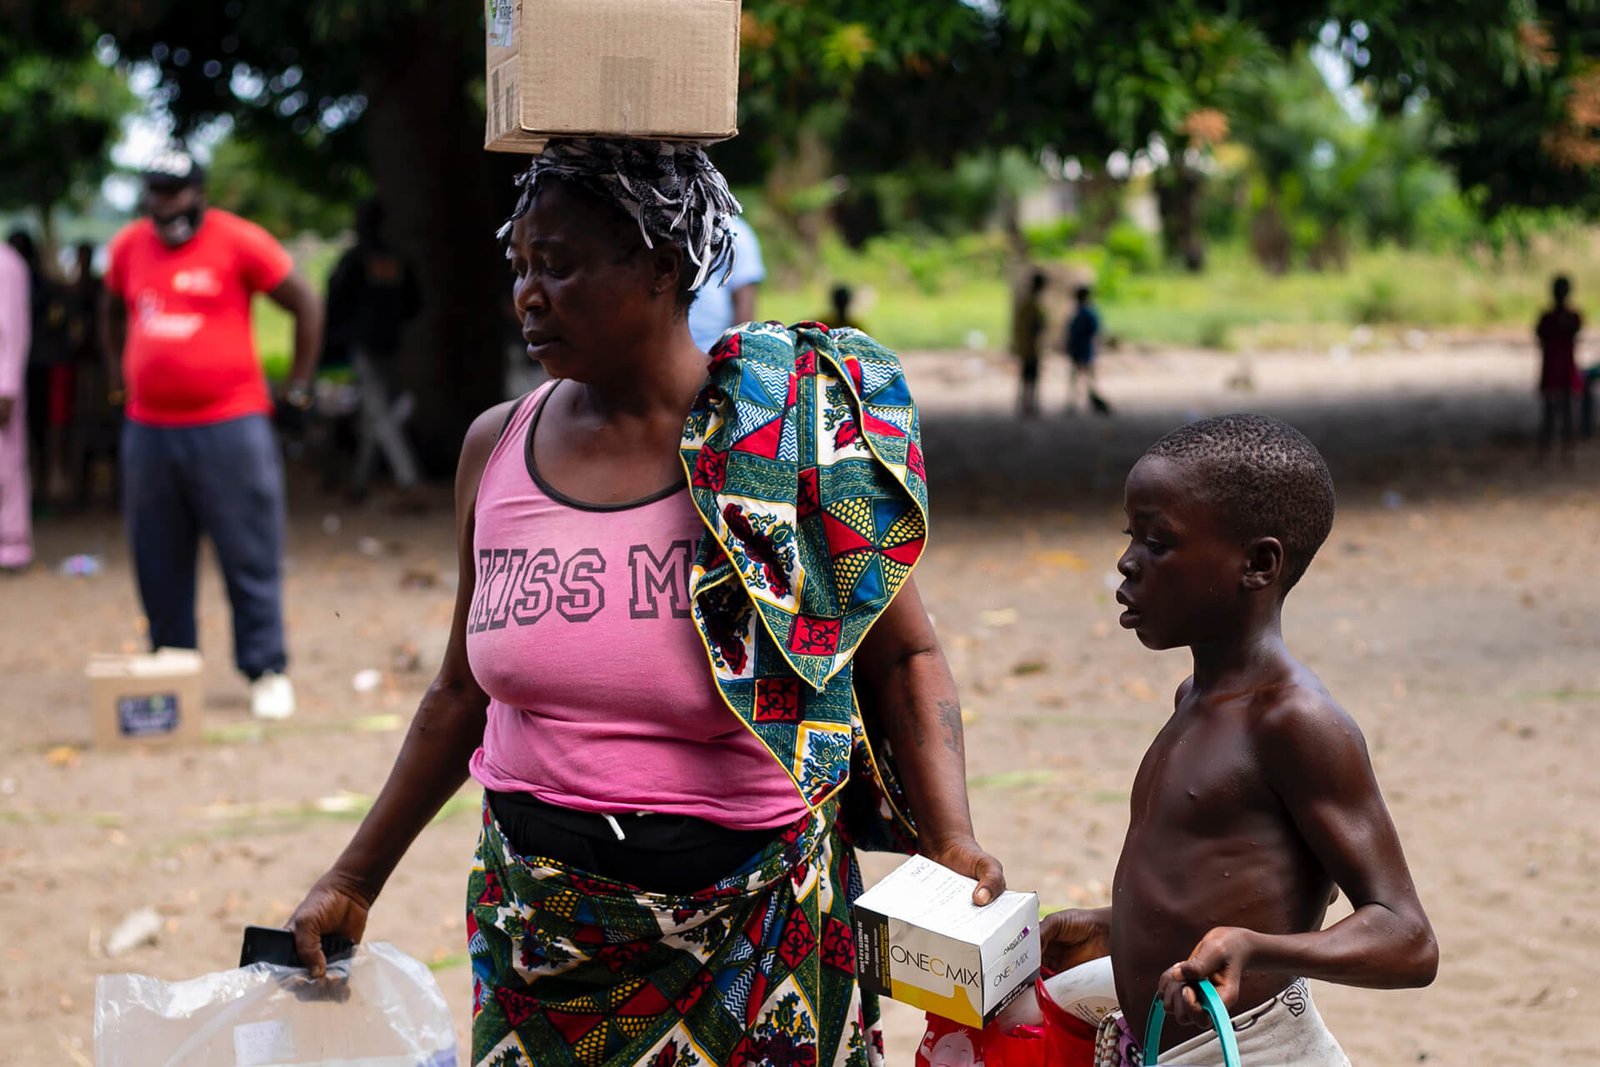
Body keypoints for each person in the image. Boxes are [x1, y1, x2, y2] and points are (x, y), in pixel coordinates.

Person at [287, 139, 1003, 1067]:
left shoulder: (779, 441)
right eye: (520, 266)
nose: (528, 295)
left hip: (758, 937)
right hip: (541, 943)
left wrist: (951, 837)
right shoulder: (495, 448)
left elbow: (902, 654)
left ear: (662, 268)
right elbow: (461, 692)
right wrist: (353, 877)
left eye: (559, 265)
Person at [1041, 414, 1437, 1065]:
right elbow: (1220, 894)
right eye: (1131, 536)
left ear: (1257, 564)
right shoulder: (1192, 700)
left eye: (1158, 542)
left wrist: (1259, 949)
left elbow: (1408, 938)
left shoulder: (1294, 721)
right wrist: (1110, 927)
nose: (1128, 562)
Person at [99, 147, 324, 719]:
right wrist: (117, 379)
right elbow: (109, 310)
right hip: (149, 429)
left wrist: (298, 389)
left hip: (230, 424)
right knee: (157, 553)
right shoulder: (128, 246)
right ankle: (174, 666)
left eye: (174, 191)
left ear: (197, 192)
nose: (164, 203)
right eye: (155, 191)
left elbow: (305, 303)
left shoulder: (238, 240)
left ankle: (266, 668)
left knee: (249, 550)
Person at [323, 198, 423, 503]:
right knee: (372, 410)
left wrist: (337, 338)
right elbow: (414, 301)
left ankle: (409, 480)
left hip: (363, 345)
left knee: (379, 411)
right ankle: (360, 481)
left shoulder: (355, 259)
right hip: (390, 342)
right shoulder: (394, 259)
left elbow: (335, 300)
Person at [687, 214, 764, 350]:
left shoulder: (736, 233)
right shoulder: (680, 224)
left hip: (713, 348)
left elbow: (744, 305)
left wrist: (736, 352)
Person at [0, 237, 30, 572]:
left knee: (6, 466)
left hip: (1, 385)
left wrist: (7, 387)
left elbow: (14, 331)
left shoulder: (6, 264)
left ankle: (13, 546)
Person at [1535, 275, 1581, 461]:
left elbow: (1541, 338)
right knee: (1565, 411)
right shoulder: (1572, 318)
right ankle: (1565, 449)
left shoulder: (1547, 318)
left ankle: (1549, 449)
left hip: (1553, 369)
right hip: (1564, 369)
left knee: (1551, 411)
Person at [1066, 284, 1110, 416]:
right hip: (1084, 348)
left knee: (1078, 377)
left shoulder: (1081, 313)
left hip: (1081, 348)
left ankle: (1076, 402)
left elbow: (1076, 331)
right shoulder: (1087, 312)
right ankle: (1086, 401)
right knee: (1087, 377)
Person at [1012, 268, 1047, 418]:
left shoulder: (1026, 303)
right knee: (1031, 378)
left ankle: (1024, 405)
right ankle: (1030, 406)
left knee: (1025, 377)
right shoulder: (1032, 305)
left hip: (1026, 346)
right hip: (1031, 348)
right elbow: (1035, 326)